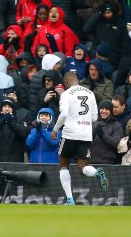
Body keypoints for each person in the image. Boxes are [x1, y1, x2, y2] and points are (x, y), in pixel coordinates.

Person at [51, 71, 108, 205]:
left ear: (65, 82)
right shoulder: (90, 93)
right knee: (82, 166)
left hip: (70, 133)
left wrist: (55, 129)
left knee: (64, 165)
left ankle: (70, 199)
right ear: (77, 80)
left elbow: (64, 114)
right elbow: (94, 117)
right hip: (86, 134)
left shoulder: (66, 94)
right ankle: (96, 172)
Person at [90, 99, 123, 165]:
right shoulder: (92, 123)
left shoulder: (116, 125)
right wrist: (92, 135)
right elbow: (84, 143)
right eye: (102, 108)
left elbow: (116, 143)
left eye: (107, 109)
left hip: (108, 163)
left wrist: (102, 135)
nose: (104, 111)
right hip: (90, 162)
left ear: (111, 111)